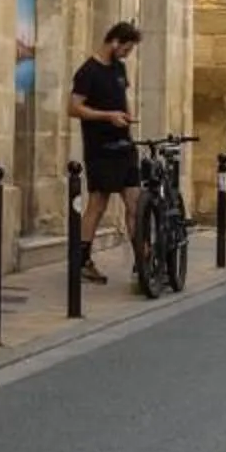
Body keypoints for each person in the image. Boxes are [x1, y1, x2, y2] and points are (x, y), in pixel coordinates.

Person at [67, 21, 143, 283]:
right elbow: (74, 108)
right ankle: (82, 258)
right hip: (100, 148)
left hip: (124, 146)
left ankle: (142, 260)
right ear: (115, 43)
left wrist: (127, 115)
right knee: (97, 205)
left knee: (134, 202)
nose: (127, 55)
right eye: (126, 49)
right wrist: (107, 116)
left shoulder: (119, 68)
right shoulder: (88, 72)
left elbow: (123, 95)